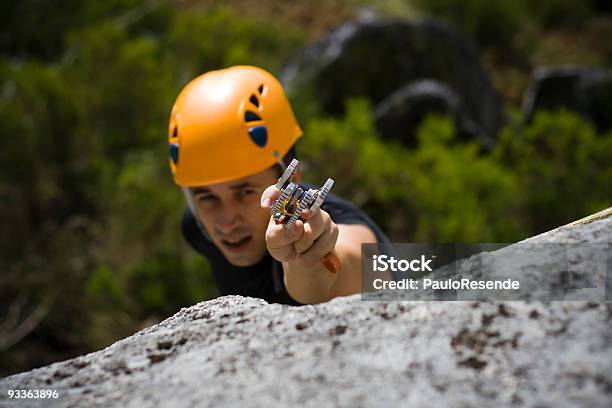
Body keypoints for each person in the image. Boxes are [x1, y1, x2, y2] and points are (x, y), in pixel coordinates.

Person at [168, 65, 390, 305]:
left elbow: (353, 267)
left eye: (245, 192)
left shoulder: (330, 220)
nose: (227, 222)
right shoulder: (198, 229)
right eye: (207, 197)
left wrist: (311, 260)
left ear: (291, 177)